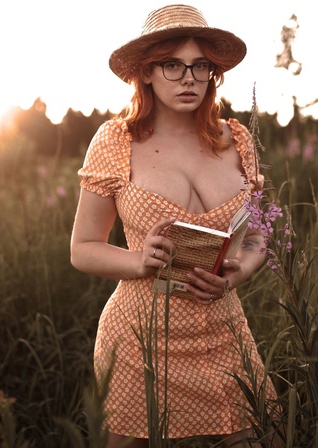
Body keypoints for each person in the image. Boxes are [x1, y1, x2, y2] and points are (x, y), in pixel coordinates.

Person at [70, 4, 278, 447]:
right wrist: (139, 260)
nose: (188, 78)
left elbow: (260, 232)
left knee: (263, 437)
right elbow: (83, 247)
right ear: (145, 73)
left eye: (200, 65)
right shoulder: (115, 141)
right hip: (137, 342)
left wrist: (241, 270)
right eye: (172, 65)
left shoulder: (237, 140)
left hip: (224, 334)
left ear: (212, 73)